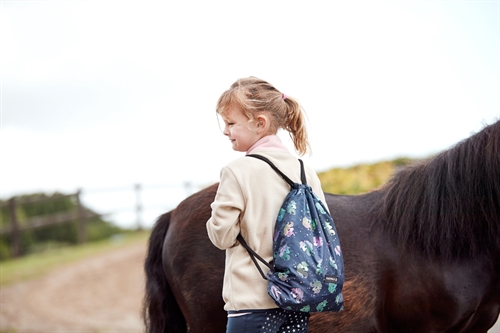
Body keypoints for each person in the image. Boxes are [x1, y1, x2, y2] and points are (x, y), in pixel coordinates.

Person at [206, 77, 328, 333]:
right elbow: (322, 232)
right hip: (296, 300)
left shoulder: (237, 171)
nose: (225, 131)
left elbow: (222, 236)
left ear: (259, 123)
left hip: (252, 303)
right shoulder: (305, 170)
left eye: (231, 123)